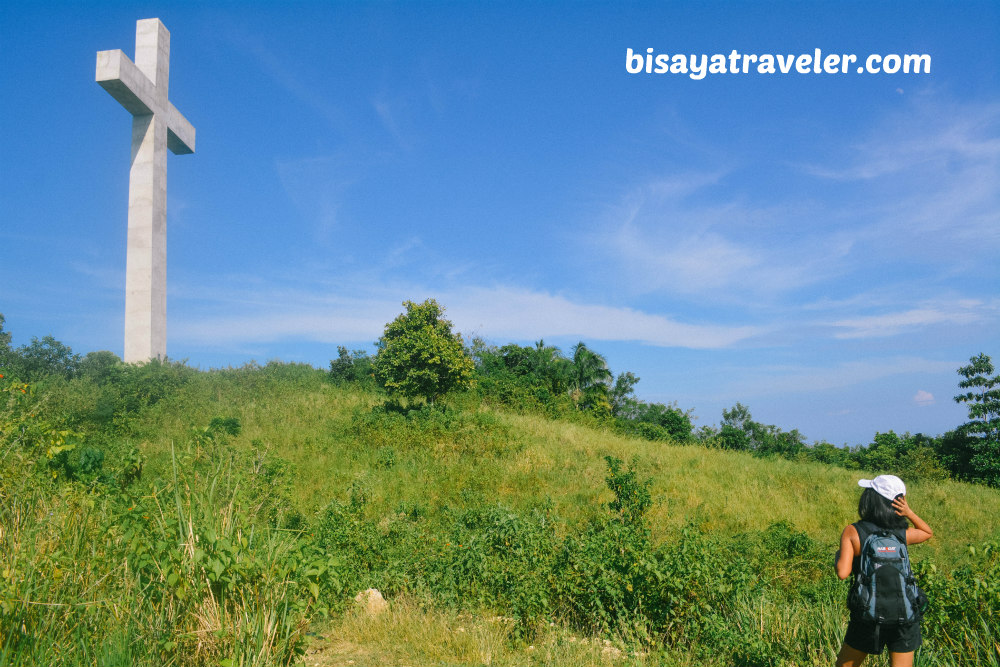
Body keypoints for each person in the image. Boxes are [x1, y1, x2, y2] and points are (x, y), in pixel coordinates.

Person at [834, 474, 933, 667]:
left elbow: (842, 573)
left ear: (870, 500)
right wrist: (909, 513)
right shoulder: (901, 533)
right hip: (904, 614)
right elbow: (927, 532)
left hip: (867, 615)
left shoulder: (854, 531)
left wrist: (839, 555)